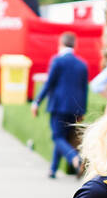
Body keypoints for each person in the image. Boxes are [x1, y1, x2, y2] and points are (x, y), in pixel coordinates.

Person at [31, 31, 89, 178]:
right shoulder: (82, 65)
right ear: (74, 45)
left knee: (57, 137)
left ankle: (75, 159)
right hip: (75, 107)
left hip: (58, 105)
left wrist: (37, 101)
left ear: (61, 44)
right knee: (63, 136)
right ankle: (53, 169)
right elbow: (84, 89)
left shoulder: (57, 61)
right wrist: (82, 110)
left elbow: (49, 84)